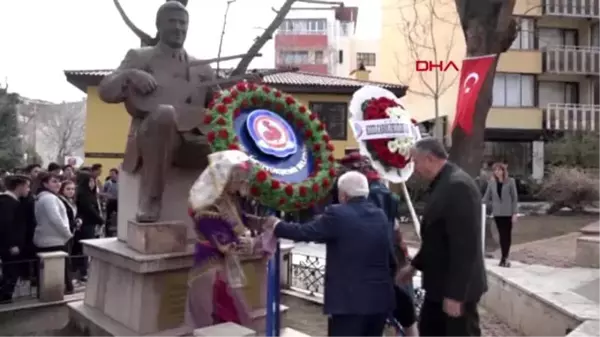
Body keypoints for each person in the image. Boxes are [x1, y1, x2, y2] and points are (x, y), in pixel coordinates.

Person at [98, 1, 219, 222]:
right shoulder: (140, 56)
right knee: (164, 113)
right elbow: (106, 90)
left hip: (194, 142)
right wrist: (130, 75)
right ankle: (151, 198)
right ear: (159, 25)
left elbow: (220, 106)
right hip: (152, 138)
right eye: (172, 22)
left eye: (183, 23)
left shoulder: (203, 67)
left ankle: (227, 209)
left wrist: (243, 95)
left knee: (236, 131)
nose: (178, 28)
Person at [264, 171, 396, 337]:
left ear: (343, 195)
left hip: (349, 303)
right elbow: (390, 259)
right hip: (378, 301)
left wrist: (277, 225)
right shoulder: (380, 215)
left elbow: (306, 232)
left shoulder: (338, 214)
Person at [397, 138, 487, 337]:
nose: (415, 168)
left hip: (455, 290)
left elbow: (465, 246)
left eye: (416, 162)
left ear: (429, 158)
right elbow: (436, 238)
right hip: (438, 287)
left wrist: (456, 295)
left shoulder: (458, 186)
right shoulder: (442, 184)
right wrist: (414, 266)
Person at [185, 150, 276, 328]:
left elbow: (241, 220)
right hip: (212, 269)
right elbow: (227, 245)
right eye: (239, 179)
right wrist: (260, 243)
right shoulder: (207, 206)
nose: (243, 183)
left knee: (233, 318)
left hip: (226, 268)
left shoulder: (229, 199)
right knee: (220, 317)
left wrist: (266, 223)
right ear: (226, 178)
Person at [335, 153, 417, 337]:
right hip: (389, 251)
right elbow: (393, 222)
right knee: (400, 299)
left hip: (374, 257)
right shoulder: (382, 190)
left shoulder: (368, 193)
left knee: (391, 300)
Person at [33, 172, 74, 294]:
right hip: (54, 240)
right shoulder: (48, 198)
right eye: (54, 181)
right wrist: (68, 234)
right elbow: (55, 219)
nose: (58, 184)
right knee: (58, 271)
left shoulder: (45, 197)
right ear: (45, 183)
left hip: (51, 238)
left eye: (59, 181)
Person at [0, 175, 31, 303]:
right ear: (19, 186)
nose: (29, 190)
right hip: (10, 247)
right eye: (27, 186)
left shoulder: (12, 202)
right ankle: (4, 298)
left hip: (11, 245)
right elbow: (6, 225)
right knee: (10, 272)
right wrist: (12, 244)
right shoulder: (8, 203)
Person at [483, 162, 518, 267]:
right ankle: (504, 258)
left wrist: (515, 213)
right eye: (495, 170)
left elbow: (514, 198)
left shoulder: (510, 182)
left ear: (503, 171)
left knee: (506, 236)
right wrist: (476, 203)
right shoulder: (491, 183)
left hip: (508, 213)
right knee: (501, 235)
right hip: (497, 213)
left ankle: (505, 257)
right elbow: (486, 198)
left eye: (499, 170)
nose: (497, 172)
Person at [73, 172, 104, 281]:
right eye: (90, 181)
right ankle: (83, 271)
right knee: (85, 249)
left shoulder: (91, 193)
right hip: (86, 224)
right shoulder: (83, 194)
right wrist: (100, 220)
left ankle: (86, 269)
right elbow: (88, 209)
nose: (92, 183)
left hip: (92, 223)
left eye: (93, 181)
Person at [102, 168, 119, 237]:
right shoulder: (107, 183)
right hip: (110, 202)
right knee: (108, 217)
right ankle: (107, 233)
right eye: (110, 174)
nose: (111, 175)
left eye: (113, 174)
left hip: (118, 202)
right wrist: (106, 196)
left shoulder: (120, 182)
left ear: (117, 174)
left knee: (119, 216)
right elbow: (103, 192)